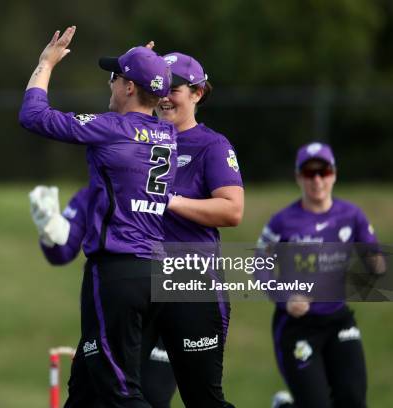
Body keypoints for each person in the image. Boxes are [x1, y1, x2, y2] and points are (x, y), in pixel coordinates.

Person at [19, 26, 177, 407]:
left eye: (115, 77)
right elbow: (149, 91)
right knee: (87, 389)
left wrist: (45, 64)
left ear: (127, 88)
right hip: (154, 272)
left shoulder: (111, 128)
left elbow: (33, 115)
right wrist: (144, 64)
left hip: (116, 273)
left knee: (120, 392)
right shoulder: (167, 135)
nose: (110, 84)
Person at [256, 142, 385, 408]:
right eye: (309, 173)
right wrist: (285, 299)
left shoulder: (352, 215)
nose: (317, 180)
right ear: (298, 177)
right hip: (297, 326)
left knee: (352, 399)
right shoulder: (282, 222)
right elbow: (259, 267)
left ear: (334, 174)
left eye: (323, 172)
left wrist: (375, 265)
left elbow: (376, 259)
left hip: (338, 321)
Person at [29, 185, 177, 408]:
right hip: (110, 314)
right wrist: (50, 231)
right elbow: (62, 252)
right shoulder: (94, 193)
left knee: (151, 394)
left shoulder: (169, 188)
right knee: (93, 398)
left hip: (165, 306)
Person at [156, 51, 243, 408]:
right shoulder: (139, 137)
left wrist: (170, 200)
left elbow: (232, 209)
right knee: (134, 395)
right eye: (158, 85)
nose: (164, 95)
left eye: (174, 88)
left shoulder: (212, 146)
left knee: (202, 399)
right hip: (139, 278)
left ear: (197, 93)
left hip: (191, 280)